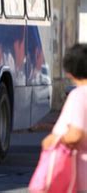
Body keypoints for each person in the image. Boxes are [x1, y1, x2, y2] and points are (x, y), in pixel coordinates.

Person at [41, 44, 87, 192]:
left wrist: (54, 140)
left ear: (70, 72)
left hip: (80, 175)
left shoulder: (79, 96)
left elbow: (76, 134)